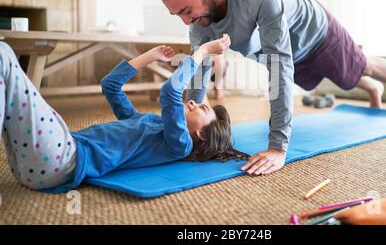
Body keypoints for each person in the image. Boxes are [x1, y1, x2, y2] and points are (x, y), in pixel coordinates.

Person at [150, 0, 386, 177]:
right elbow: (199, 73)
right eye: (178, 15)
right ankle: (374, 89)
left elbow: (279, 63)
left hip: (316, 35)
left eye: (186, 11)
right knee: (346, 78)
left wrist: (278, 147)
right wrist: (190, 128)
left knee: (361, 65)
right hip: (283, 52)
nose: (186, 21)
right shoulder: (199, 18)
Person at [0, 35, 248, 192]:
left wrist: (202, 51)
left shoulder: (178, 145)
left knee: (3, 54)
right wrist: (151, 56)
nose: (193, 103)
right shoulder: (148, 124)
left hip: (62, 158)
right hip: (33, 161)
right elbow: (110, 85)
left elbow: (171, 93)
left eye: (202, 108)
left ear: (201, 136)